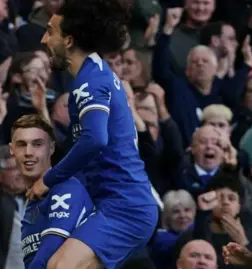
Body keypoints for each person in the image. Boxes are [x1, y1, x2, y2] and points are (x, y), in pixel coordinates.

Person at [28, 0, 159, 268]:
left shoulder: (91, 82)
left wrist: (49, 179)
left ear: (69, 40)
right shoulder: (96, 74)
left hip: (125, 207)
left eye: (50, 31)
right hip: (110, 203)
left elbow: (95, 140)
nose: (43, 39)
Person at [10, 114, 94, 268]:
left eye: (37, 144)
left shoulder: (65, 187)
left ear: (51, 148)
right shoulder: (31, 201)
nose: (28, 152)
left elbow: (52, 249)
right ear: (11, 150)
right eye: (21, 144)